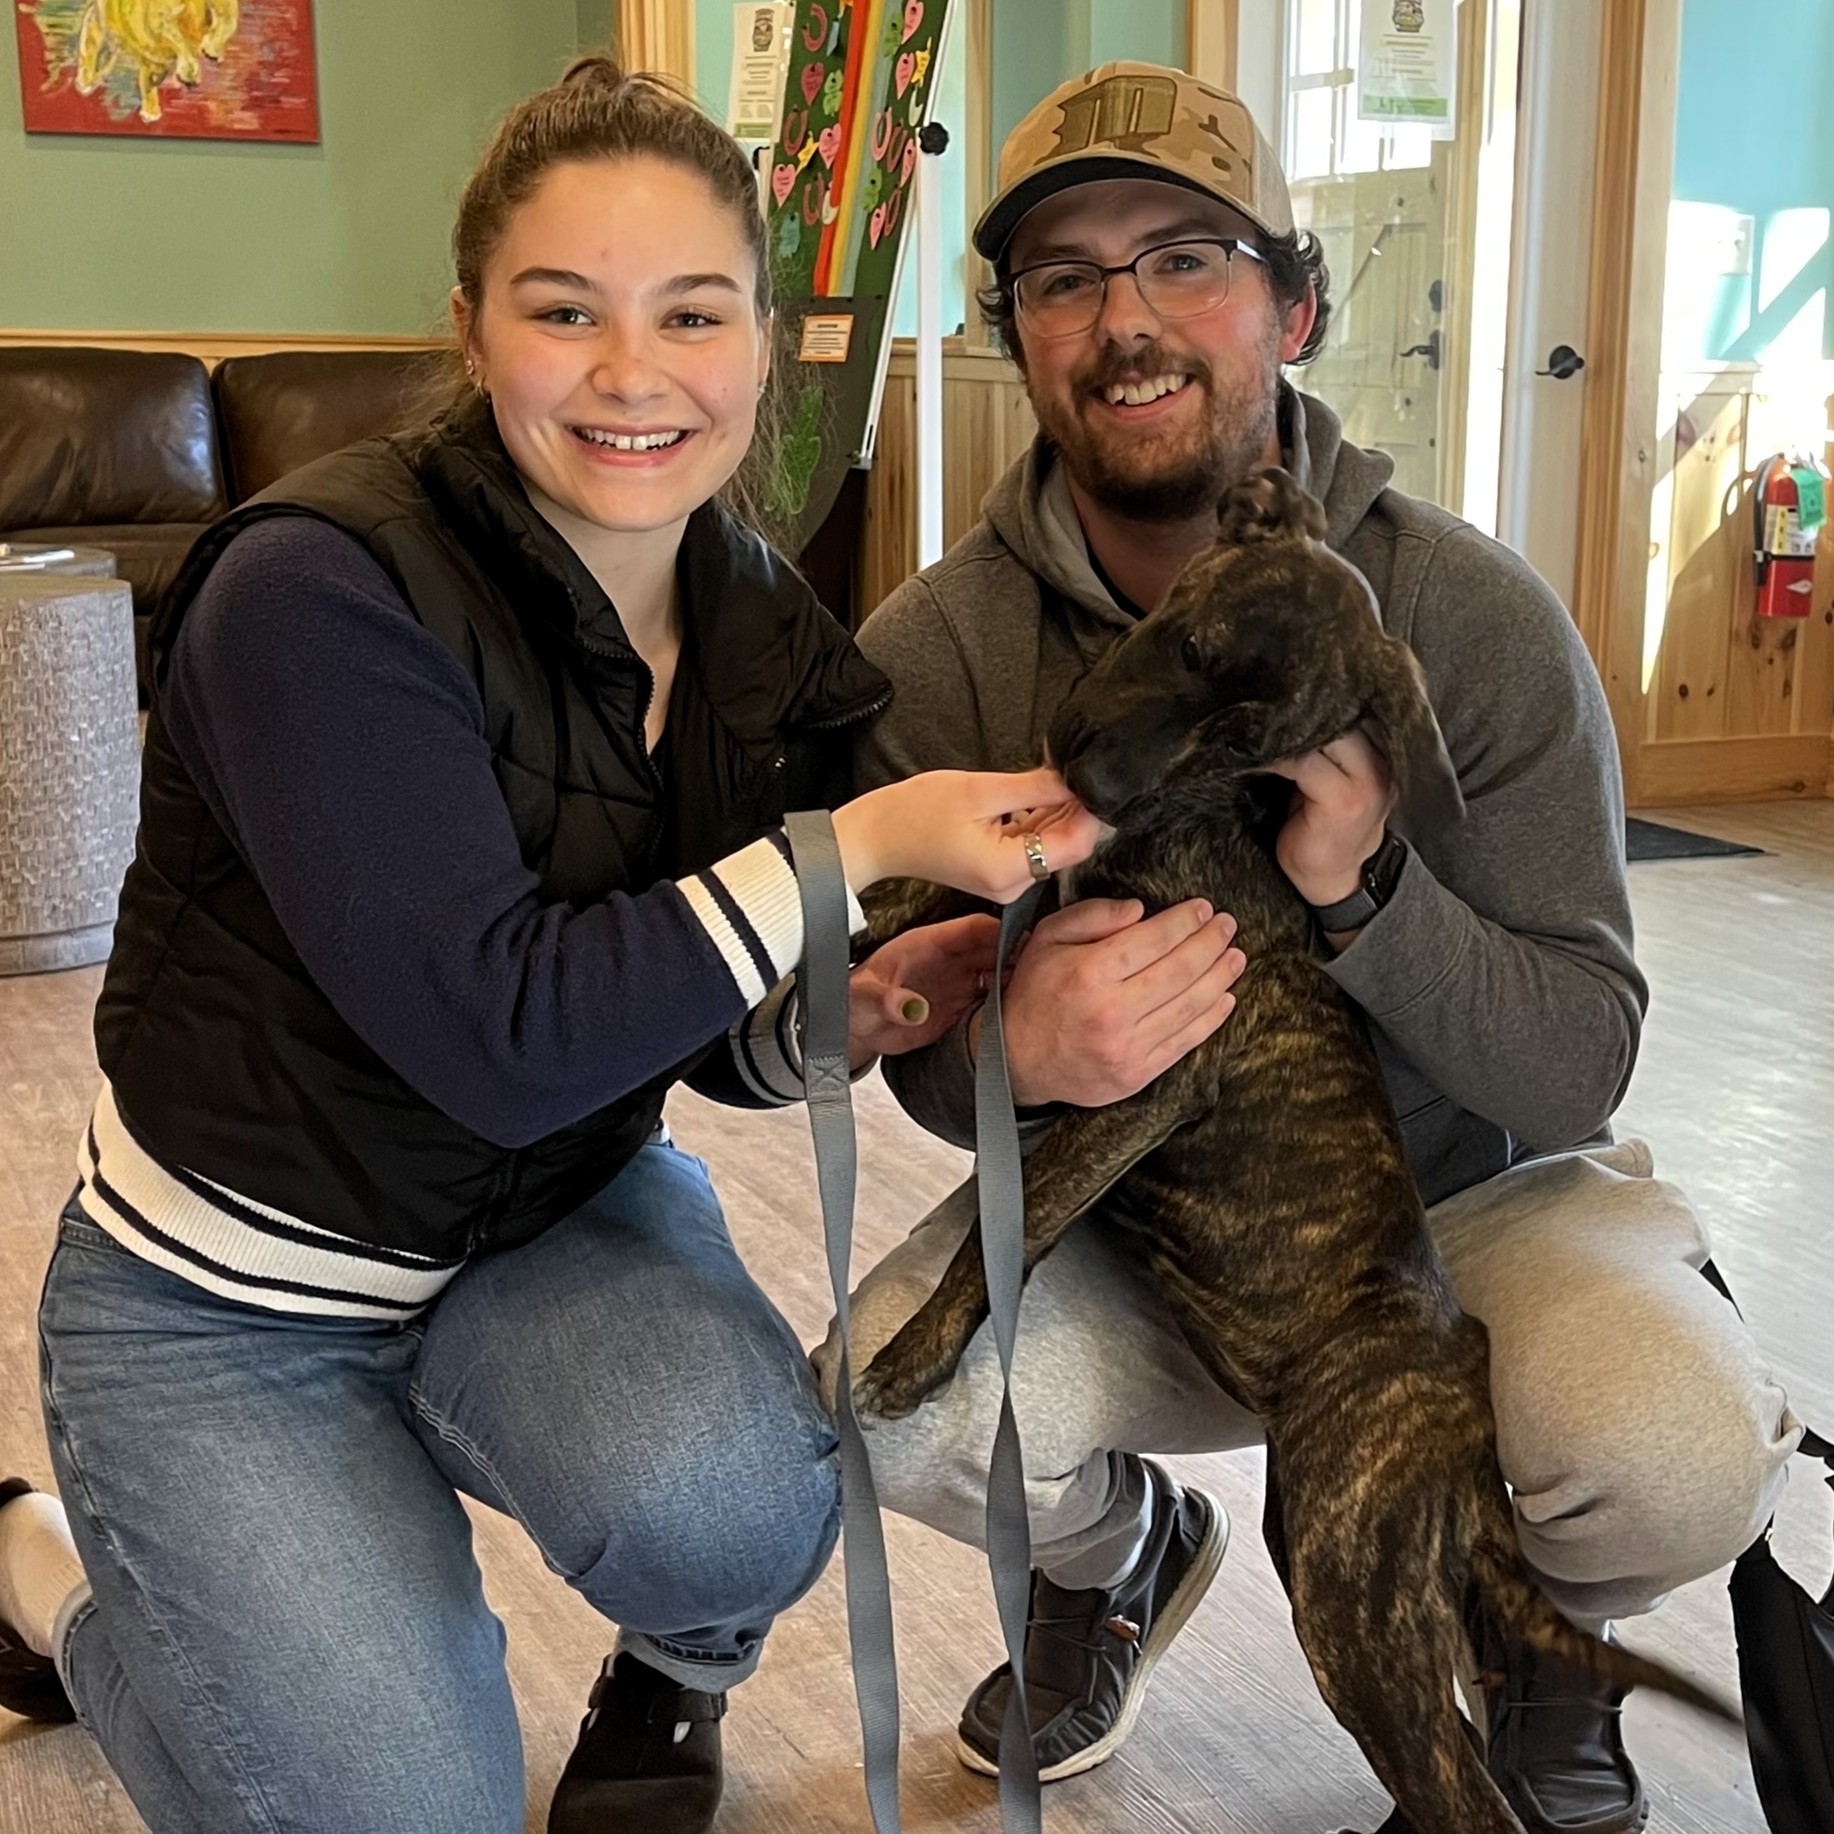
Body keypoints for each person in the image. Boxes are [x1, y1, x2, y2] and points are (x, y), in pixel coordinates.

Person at [0, 58, 1098, 1834]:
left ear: (764, 344)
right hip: (226, 1305)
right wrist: (865, 843)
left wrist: (845, 1010)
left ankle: (670, 1666)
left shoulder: (758, 626)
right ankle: (49, 1576)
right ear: (469, 326)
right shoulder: (313, 589)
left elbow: (685, 1020)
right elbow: (503, 1034)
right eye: (564, 309)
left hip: (547, 1221)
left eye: (692, 313)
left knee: (744, 1502)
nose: (632, 373)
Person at [821, 60, 1801, 1834]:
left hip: (1478, 1211)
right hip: (1148, 1229)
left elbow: (1578, 1059)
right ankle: (1118, 1555)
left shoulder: (1466, 617)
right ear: (1013, 332)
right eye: (1062, 276)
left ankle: (1538, 1646)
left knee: (1656, 1442)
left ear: (1293, 306)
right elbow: (892, 1040)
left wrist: (1366, 892)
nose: (1124, 320)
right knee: (883, 1406)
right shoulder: (941, 646)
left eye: (1184, 258)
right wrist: (999, 1053)